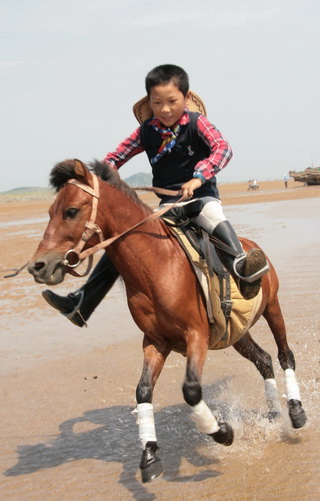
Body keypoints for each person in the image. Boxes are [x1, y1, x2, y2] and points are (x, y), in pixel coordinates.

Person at [42, 64, 269, 327]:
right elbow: (114, 158)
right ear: (150, 102)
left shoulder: (198, 123)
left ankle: (244, 271)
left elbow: (223, 148)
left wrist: (198, 177)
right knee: (123, 243)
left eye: (172, 101)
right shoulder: (146, 131)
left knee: (215, 220)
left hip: (201, 200)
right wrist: (95, 182)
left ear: (185, 98)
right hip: (168, 207)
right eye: (157, 102)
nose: (165, 109)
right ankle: (81, 303)